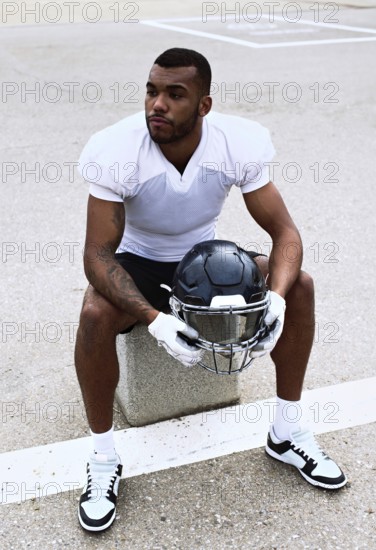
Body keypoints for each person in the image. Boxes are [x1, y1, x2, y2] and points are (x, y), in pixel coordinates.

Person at [75, 47, 347, 532]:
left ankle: (287, 431)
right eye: (152, 90)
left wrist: (278, 301)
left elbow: (285, 234)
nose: (157, 104)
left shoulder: (234, 142)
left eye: (175, 95)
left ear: (203, 106)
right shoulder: (116, 148)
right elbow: (97, 255)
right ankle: (102, 458)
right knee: (95, 314)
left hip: (204, 261)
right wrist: (155, 321)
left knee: (300, 284)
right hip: (139, 262)